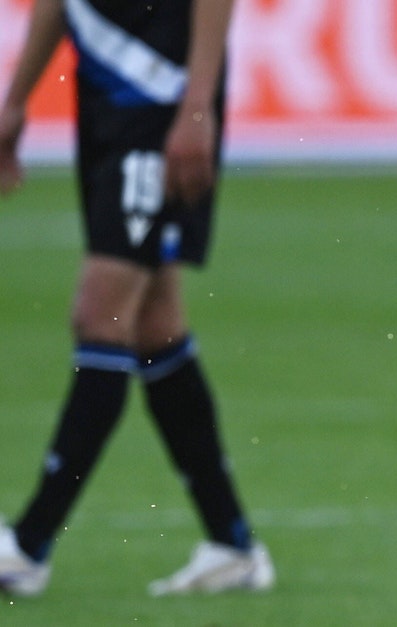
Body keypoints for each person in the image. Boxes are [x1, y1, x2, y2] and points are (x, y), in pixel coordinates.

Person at [0, 0, 272, 598]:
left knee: (101, 312)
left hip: (163, 101)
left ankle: (26, 546)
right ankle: (232, 545)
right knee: (154, 324)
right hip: (104, 102)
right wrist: (16, 98)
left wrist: (197, 104)